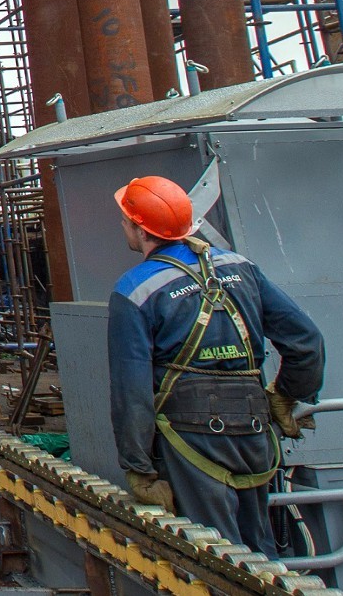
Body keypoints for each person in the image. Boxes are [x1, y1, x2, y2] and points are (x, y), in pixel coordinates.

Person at [108, 175, 324, 553]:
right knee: (259, 550)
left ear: (141, 230)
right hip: (255, 430)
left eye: (125, 220)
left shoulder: (135, 289)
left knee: (215, 557)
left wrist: (139, 467)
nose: (122, 226)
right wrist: (289, 395)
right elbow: (306, 341)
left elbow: (131, 390)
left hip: (191, 438)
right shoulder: (241, 268)